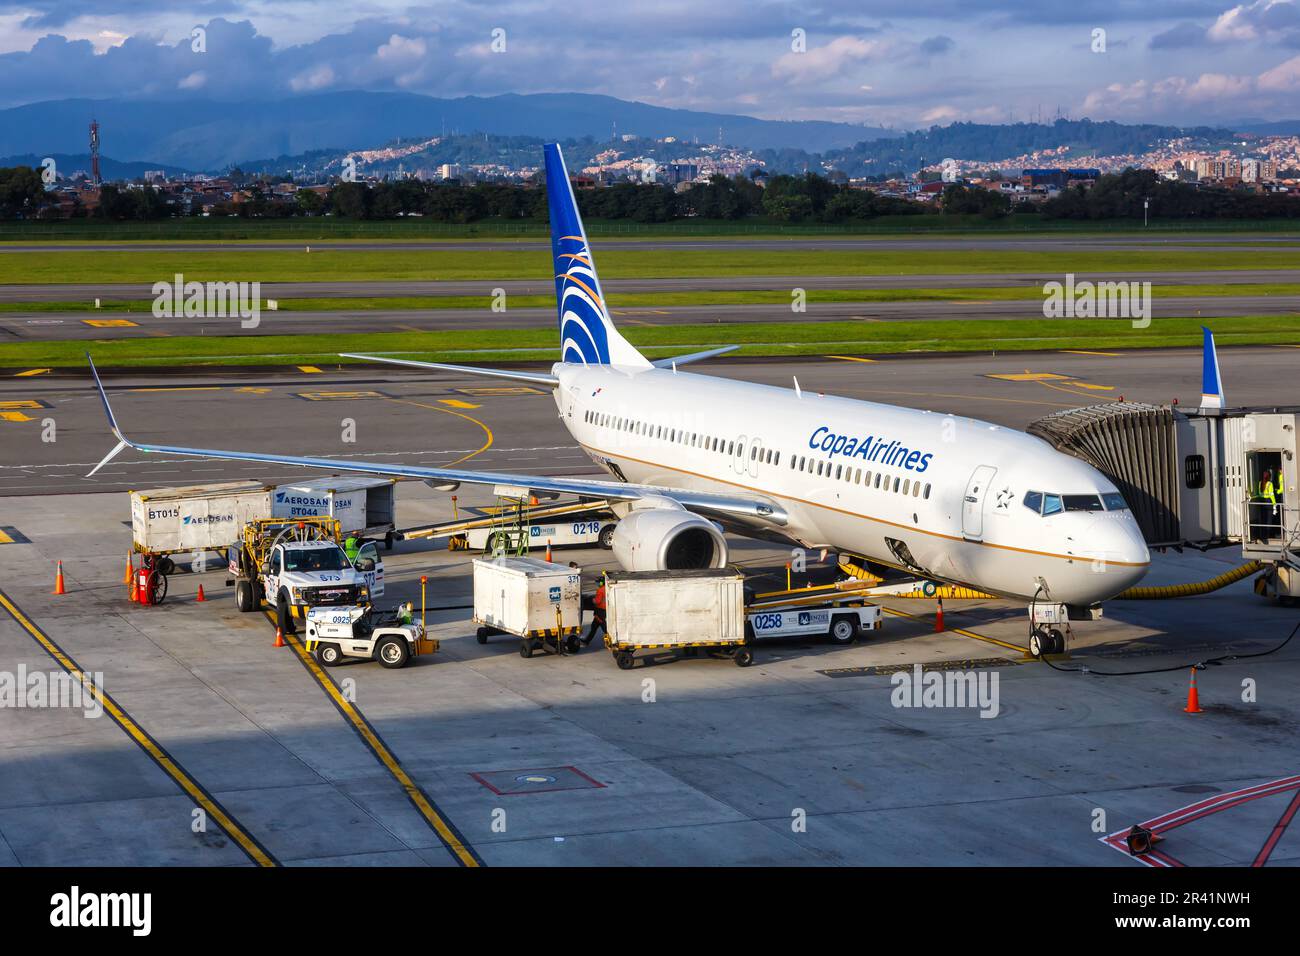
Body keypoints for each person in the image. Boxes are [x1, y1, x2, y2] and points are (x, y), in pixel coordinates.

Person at [583, 578, 607, 645]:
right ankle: (587, 640)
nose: (597, 584)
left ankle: (612, 638)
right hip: (604, 610)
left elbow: (597, 601)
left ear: (601, 583)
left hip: (599, 611)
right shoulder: (607, 588)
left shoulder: (600, 590)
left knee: (603, 627)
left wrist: (592, 600)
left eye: (598, 582)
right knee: (594, 626)